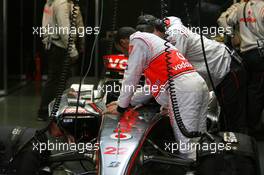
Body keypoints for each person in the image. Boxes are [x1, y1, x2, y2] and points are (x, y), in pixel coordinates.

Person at [104, 27, 209, 160]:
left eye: (123, 51)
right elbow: (149, 88)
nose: (125, 55)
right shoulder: (153, 43)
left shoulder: (137, 41)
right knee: (199, 140)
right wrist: (128, 102)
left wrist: (121, 107)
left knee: (186, 146)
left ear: (124, 42)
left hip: (184, 91)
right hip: (198, 84)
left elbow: (131, 76)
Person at [136, 15, 248, 133]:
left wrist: (130, 101)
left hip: (228, 68)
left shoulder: (175, 35)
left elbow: (170, 75)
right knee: (225, 117)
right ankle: (227, 147)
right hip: (218, 71)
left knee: (233, 119)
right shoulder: (167, 29)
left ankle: (240, 149)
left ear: (157, 28)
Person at [37, 0, 84, 121]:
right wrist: (72, 50)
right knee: (58, 80)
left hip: (54, 45)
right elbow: (64, 29)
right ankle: (46, 111)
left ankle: (50, 110)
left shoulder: (52, 3)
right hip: (60, 47)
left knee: (58, 79)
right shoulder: (61, 4)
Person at [227, 0, 264, 135]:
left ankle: (244, 125)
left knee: (248, 90)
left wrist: (231, 36)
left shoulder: (241, 6)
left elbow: (228, 20)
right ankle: (254, 127)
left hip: (245, 54)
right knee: (257, 92)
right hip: (260, 54)